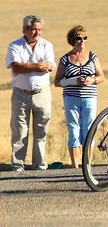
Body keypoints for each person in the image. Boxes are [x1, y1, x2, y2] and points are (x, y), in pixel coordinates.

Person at [5, 15, 55, 172]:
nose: (37, 32)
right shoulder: (15, 46)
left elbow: (49, 66)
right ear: (24, 29)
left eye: (39, 29)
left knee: (41, 131)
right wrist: (37, 66)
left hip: (42, 93)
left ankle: (39, 164)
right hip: (21, 94)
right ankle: (18, 165)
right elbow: (16, 68)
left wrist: (27, 65)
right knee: (20, 131)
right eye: (33, 29)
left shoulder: (47, 46)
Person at [54, 25, 105, 168]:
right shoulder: (65, 59)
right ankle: (75, 163)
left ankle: (87, 161)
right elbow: (57, 82)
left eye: (84, 38)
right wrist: (72, 81)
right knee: (73, 128)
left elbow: (101, 77)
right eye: (78, 38)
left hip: (90, 97)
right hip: (71, 98)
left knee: (88, 127)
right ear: (72, 40)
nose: (82, 41)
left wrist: (92, 80)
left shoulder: (92, 56)